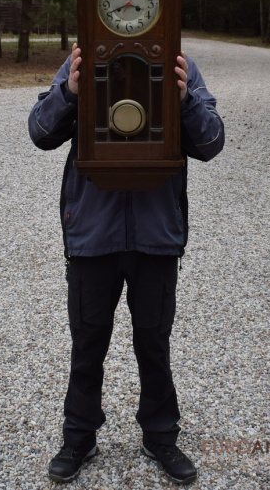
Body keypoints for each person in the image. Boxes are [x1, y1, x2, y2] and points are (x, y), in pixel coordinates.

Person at [28, 43, 225, 484]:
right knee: (88, 342)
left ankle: (160, 435)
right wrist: (71, 91)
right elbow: (40, 132)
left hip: (156, 236)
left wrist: (185, 101)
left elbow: (212, 141)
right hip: (92, 235)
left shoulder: (179, 65)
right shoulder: (81, 59)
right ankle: (79, 435)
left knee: (154, 342)